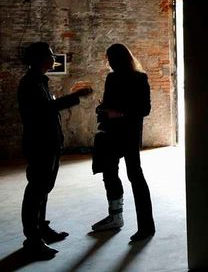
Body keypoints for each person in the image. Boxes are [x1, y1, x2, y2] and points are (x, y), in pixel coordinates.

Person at [17, 42, 93, 259]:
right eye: (50, 55)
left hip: (48, 143)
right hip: (39, 144)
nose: (54, 58)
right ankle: (32, 239)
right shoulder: (31, 83)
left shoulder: (38, 81)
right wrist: (74, 97)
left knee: (44, 188)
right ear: (40, 59)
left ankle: (41, 229)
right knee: (36, 191)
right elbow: (45, 110)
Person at [91, 43, 155, 242]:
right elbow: (107, 105)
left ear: (118, 59)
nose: (109, 62)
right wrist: (103, 110)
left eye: (110, 58)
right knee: (109, 173)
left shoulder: (140, 78)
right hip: (113, 133)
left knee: (134, 175)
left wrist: (119, 112)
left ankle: (146, 226)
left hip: (128, 134)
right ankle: (115, 216)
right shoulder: (112, 78)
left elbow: (145, 109)